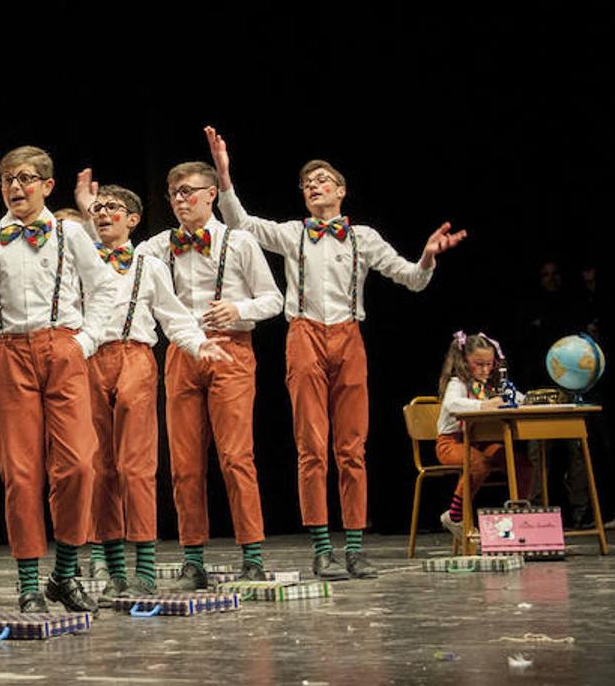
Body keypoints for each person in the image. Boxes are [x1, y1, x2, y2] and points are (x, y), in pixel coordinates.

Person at [209, 126, 466, 579]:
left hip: (348, 337)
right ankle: (322, 549)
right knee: (311, 446)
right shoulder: (292, 234)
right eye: (306, 183)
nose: (312, 186)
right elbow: (242, 224)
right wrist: (224, 177)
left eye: (321, 179)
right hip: (304, 334)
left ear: (341, 191)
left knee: (352, 448)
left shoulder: (363, 238)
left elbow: (411, 278)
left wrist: (427, 256)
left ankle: (354, 547)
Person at [0, 134, 118, 614]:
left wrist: (85, 342)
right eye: (9, 179)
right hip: (10, 353)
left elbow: (106, 291)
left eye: (26, 179)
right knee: (20, 471)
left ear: (48, 186)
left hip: (63, 348)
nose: (16, 186)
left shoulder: (72, 233)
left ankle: (66, 571)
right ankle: (30, 581)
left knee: (77, 465)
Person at [71, 175, 229, 603]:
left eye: (112, 209)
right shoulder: (80, 261)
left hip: (136, 359)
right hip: (89, 359)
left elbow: (174, 317)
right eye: (98, 208)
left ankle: (143, 566)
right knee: (100, 466)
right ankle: (115, 570)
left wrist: (199, 344)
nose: (103, 214)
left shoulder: (149, 264)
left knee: (136, 465)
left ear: (133, 220)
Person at [129, 162, 284, 589]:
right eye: (174, 193)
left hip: (230, 349)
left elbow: (273, 299)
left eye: (188, 192)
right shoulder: (159, 246)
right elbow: (119, 259)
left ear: (211, 194)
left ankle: (251, 553)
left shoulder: (239, 242)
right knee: (184, 463)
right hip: (183, 351)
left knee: (236, 457)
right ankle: (192, 558)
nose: (180, 200)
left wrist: (240, 310)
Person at [434, 331, 532, 539]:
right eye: (479, 364)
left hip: (481, 442)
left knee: (520, 464)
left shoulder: (489, 385)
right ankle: (455, 516)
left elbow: (515, 397)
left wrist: (528, 400)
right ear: (464, 360)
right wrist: (485, 404)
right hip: (451, 443)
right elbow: (452, 404)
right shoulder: (457, 384)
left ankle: (518, 517)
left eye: (489, 364)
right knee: (477, 462)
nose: (485, 369)